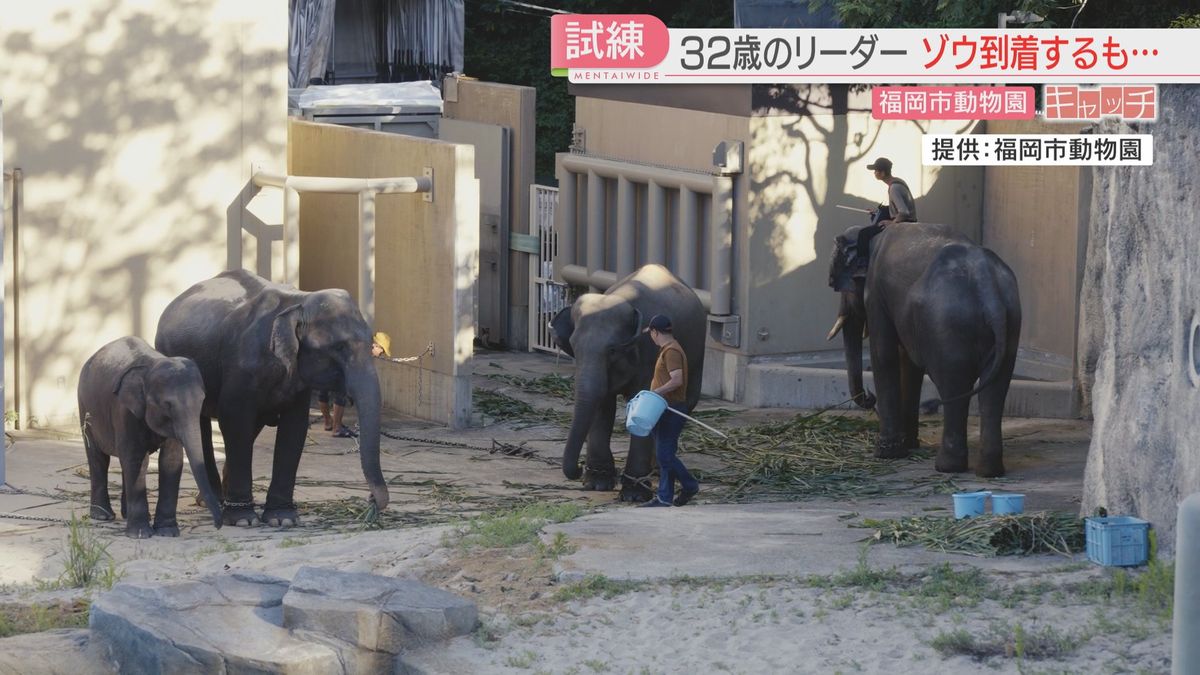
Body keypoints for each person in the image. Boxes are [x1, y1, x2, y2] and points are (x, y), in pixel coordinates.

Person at [637, 314, 700, 508]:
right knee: (665, 455)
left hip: (671, 409)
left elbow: (677, 380)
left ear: (655, 332)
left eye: (651, 333)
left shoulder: (671, 351)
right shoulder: (668, 349)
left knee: (664, 455)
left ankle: (689, 485)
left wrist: (655, 392)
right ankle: (665, 497)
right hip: (662, 407)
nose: (651, 337)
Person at [319, 332, 392, 438]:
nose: (382, 354)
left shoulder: (360, 341)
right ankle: (337, 429)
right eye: (382, 350)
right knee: (340, 395)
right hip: (338, 365)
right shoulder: (363, 348)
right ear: (376, 345)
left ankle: (328, 422)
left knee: (323, 392)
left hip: (327, 360)